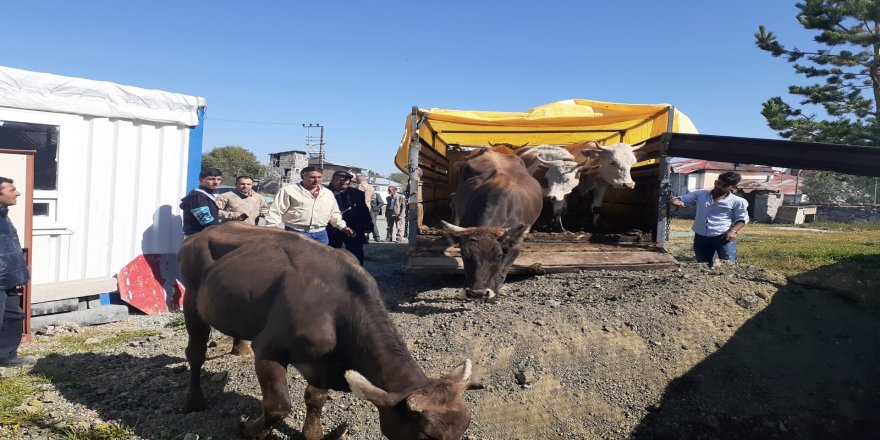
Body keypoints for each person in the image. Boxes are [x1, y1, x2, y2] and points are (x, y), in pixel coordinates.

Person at [671, 171, 749, 267]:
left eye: (724, 185)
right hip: (701, 237)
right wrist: (677, 200)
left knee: (728, 265)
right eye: (718, 183)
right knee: (703, 265)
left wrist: (733, 231)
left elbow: (742, 219)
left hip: (723, 237)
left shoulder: (738, 201)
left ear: (733, 187)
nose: (719, 187)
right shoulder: (700, 194)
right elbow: (683, 198)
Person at [264, 167, 354, 244]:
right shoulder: (289, 191)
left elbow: (334, 213)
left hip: (320, 234)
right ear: (303, 177)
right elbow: (275, 211)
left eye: (319, 177)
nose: (316, 180)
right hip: (295, 233)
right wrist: (272, 229)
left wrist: (342, 226)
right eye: (312, 177)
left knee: (319, 261)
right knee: (297, 261)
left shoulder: (327, 193)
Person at [0, 177, 33, 367]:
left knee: (13, 316)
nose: (18, 193)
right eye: (12, 190)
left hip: (8, 280)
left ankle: (6, 356)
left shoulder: (4, 216)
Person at [326, 171, 374, 264]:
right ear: (333, 180)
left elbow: (363, 211)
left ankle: (357, 274)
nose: (345, 182)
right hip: (332, 228)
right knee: (330, 254)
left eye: (347, 180)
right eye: (341, 180)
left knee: (356, 254)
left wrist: (368, 225)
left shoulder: (357, 193)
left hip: (354, 229)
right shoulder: (325, 193)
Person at [180, 168, 223, 237]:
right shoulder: (197, 197)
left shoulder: (207, 195)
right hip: (197, 239)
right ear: (201, 180)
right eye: (211, 179)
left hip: (205, 237)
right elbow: (206, 221)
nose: (216, 182)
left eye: (218, 179)